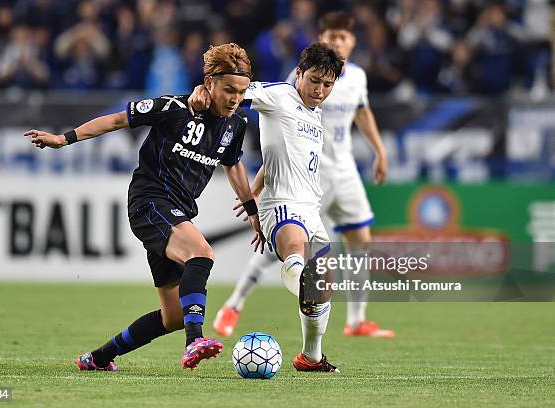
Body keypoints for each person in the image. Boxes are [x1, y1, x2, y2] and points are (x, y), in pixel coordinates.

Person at [24, 43, 265, 371]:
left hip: (177, 213)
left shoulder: (236, 124)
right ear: (208, 83)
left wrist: (252, 209)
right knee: (202, 254)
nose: (236, 99)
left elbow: (233, 163)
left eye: (241, 91)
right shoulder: (175, 107)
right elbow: (115, 121)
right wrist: (63, 139)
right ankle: (195, 341)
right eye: (228, 90)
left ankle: (98, 358)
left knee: (173, 316)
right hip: (149, 201)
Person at [213, 12, 395, 339]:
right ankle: (235, 303)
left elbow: (362, 114)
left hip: (341, 173)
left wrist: (380, 150)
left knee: (353, 245)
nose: (321, 89)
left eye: (344, 37)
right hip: (301, 184)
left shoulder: (352, 80)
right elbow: (254, 110)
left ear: (353, 42)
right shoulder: (289, 90)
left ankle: (353, 322)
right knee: (290, 247)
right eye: (332, 36)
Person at [190, 42, 343, 372]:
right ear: (299, 73)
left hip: (311, 209)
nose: (319, 90)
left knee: (326, 282)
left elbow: (277, 158)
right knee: (295, 255)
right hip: (283, 205)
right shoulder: (280, 96)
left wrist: (253, 190)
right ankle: (296, 273)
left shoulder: (316, 116)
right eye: (314, 80)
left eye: (327, 85)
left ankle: (311, 356)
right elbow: (236, 91)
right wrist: (201, 92)